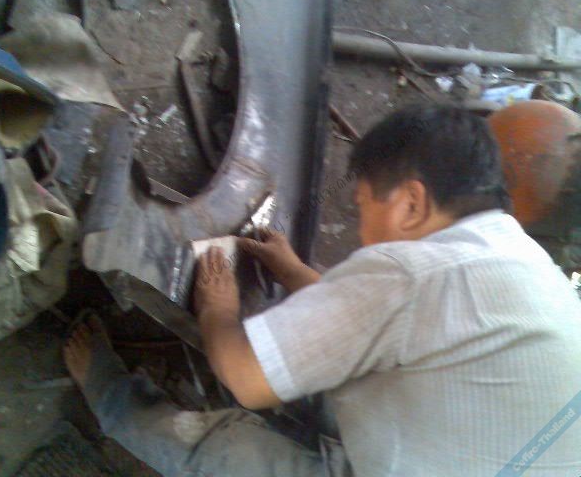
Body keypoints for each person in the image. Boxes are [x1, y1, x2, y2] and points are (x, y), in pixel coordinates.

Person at [64, 105, 581, 476]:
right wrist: (292, 271)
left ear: (411, 204)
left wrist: (218, 309)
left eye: (362, 204)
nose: (360, 223)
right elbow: (382, 321)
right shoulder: (524, 262)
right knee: (327, 388)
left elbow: (246, 379)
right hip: (460, 445)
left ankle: (113, 400)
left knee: (230, 448)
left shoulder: (413, 273)